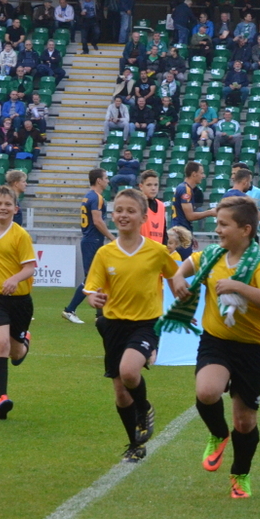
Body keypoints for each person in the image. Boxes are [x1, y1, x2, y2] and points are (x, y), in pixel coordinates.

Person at [165, 197, 260, 498]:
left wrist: (239, 286)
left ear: (245, 230)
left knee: (244, 422)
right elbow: (188, 264)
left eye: (223, 224)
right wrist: (177, 277)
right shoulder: (212, 255)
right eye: (217, 223)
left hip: (252, 348)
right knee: (207, 391)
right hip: (216, 340)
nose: (217, 230)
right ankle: (218, 434)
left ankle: (240, 474)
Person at [83, 189, 179, 462]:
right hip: (113, 325)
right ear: (113, 216)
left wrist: (179, 308)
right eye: (119, 210)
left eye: (130, 211)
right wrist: (92, 298)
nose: (123, 215)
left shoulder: (157, 251)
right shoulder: (105, 253)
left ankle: (144, 408)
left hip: (146, 323)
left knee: (128, 371)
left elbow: (175, 276)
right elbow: (92, 288)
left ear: (143, 217)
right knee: (121, 393)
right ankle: (135, 444)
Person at [0, 185, 34, 419]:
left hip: (20, 302)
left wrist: (15, 279)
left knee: (15, 353)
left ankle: (24, 344)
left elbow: (30, 268)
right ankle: (2, 399)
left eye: (7, 204)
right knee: (1, 343)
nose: (2, 207)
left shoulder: (20, 235)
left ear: (16, 209)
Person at [62, 169, 114, 324]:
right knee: (91, 278)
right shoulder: (97, 197)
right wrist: (112, 237)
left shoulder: (88, 196)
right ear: (99, 180)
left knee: (99, 276)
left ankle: (100, 314)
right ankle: (70, 310)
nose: (108, 181)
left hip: (89, 239)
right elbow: (97, 221)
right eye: (106, 178)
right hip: (93, 240)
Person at [169, 162, 217, 254]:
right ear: (194, 174)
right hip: (180, 234)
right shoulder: (185, 190)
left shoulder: (184, 188)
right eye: (201, 173)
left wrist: (190, 235)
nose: (203, 176)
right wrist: (210, 212)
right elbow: (190, 216)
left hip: (181, 232)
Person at [137, 170, 167, 245]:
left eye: (156, 185)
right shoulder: (137, 204)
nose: (153, 188)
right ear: (141, 186)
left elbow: (164, 233)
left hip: (157, 250)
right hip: (142, 250)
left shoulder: (161, 206)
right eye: (149, 185)